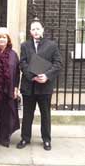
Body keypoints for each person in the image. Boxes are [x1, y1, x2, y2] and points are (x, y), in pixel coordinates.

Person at [16, 20, 61, 151]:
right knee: (27, 114)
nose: (36, 31)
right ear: (30, 32)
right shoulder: (25, 45)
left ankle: (46, 140)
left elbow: (58, 64)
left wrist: (46, 76)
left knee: (45, 115)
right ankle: (25, 138)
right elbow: (22, 63)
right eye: (33, 29)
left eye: (38, 29)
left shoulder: (52, 45)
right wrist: (32, 75)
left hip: (45, 87)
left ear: (42, 30)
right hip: (29, 86)